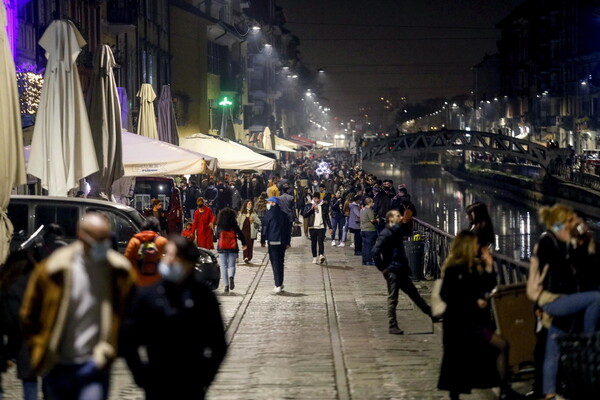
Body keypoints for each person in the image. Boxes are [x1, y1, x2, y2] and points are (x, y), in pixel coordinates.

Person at [20, 213, 137, 400]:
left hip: (94, 363)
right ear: (82, 237)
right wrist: (39, 346)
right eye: (98, 239)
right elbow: (29, 312)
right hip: (57, 363)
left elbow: (129, 313)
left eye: (106, 238)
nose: (103, 244)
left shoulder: (118, 271)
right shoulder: (54, 268)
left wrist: (112, 348)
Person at [123, 236, 227, 400]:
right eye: (167, 255)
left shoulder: (203, 297)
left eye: (176, 257)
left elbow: (218, 344)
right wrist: (141, 375)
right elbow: (129, 340)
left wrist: (205, 377)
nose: (170, 261)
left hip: (191, 382)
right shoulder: (147, 295)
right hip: (157, 380)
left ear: (189, 263)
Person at [438, 230, 524, 400]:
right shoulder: (454, 268)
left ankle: (504, 389)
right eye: (475, 244)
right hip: (459, 325)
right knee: (458, 361)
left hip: (476, 324)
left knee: (500, 346)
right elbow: (447, 295)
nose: (478, 247)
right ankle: (459, 394)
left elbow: (488, 286)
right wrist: (473, 302)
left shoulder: (475, 266)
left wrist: (490, 265)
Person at [531, 204, 600, 400]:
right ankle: (587, 339)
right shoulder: (549, 242)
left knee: (553, 347)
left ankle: (549, 392)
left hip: (567, 302)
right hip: (557, 300)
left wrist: (583, 246)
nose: (574, 226)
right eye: (571, 222)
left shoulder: (568, 243)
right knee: (596, 298)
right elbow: (556, 273)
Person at [372, 210, 432, 335]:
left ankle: (432, 314)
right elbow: (375, 252)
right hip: (393, 270)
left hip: (401, 269)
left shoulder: (397, 231)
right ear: (390, 219)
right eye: (397, 215)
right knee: (393, 298)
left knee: (414, 295)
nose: (400, 217)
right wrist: (383, 268)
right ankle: (392, 325)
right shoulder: (386, 233)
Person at [0, 251, 38, 400]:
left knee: (29, 382)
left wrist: (10, 353)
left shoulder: (11, 288)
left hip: (24, 344)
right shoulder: (40, 283)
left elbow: (11, 321)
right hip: (48, 342)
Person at [124, 217, 169, 287]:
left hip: (138, 283)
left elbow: (126, 262)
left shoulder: (134, 241)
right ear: (157, 228)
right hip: (157, 284)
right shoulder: (162, 241)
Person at [261, 197, 291, 293]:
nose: (268, 204)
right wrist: (288, 242)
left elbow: (264, 228)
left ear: (273, 203)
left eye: (269, 202)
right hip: (282, 242)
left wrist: (262, 240)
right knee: (280, 262)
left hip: (273, 241)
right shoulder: (284, 215)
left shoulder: (268, 214)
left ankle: (277, 284)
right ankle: (280, 283)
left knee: (275, 263)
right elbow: (288, 230)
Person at [215, 208, 247, 293]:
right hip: (233, 248)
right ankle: (231, 276)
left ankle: (226, 286)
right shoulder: (234, 226)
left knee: (223, 266)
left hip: (222, 248)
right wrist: (244, 243)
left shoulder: (219, 225)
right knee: (231, 265)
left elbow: (217, 235)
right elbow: (240, 234)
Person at [303, 193, 332, 264]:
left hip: (321, 227)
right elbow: (305, 215)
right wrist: (311, 209)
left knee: (321, 242)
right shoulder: (309, 205)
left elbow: (326, 216)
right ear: (313, 198)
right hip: (313, 227)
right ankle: (314, 257)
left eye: (317, 198)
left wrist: (330, 227)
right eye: (315, 198)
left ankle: (321, 255)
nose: (316, 200)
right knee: (313, 243)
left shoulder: (323, 205)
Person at [359, 197, 378, 265]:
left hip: (363, 230)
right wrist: (377, 220)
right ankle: (368, 260)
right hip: (370, 230)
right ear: (369, 203)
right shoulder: (369, 210)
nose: (373, 203)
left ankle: (364, 260)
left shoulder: (362, 210)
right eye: (372, 202)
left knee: (364, 246)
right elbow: (372, 220)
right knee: (369, 246)